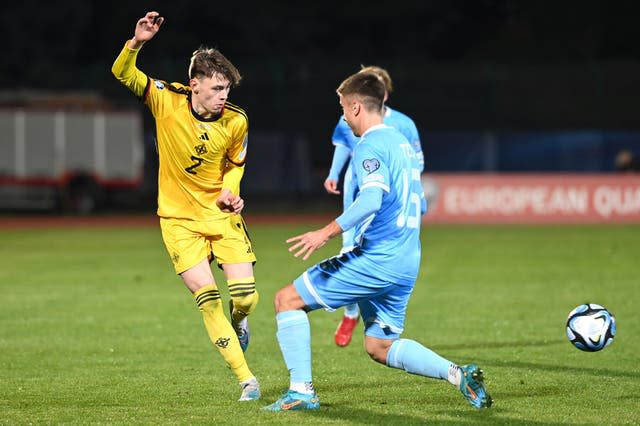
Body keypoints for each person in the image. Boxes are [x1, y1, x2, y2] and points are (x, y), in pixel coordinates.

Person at [263, 71, 492, 411]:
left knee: (286, 300)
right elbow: (422, 202)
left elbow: (371, 199)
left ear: (356, 107)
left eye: (343, 107)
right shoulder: (402, 143)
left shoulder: (370, 144)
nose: (342, 116)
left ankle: (300, 393)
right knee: (379, 346)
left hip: (378, 259)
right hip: (406, 260)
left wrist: (324, 233)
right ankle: (458, 375)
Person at [111, 11, 260, 401]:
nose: (223, 95)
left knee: (245, 297)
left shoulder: (237, 121)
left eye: (226, 88)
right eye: (216, 88)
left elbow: (235, 165)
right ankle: (247, 380)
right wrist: (137, 42)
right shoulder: (166, 99)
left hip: (221, 214)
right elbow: (123, 74)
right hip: (178, 221)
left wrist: (230, 191)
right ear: (194, 85)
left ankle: (240, 322)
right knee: (208, 300)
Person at [324, 65, 424, 347]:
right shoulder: (350, 118)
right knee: (350, 252)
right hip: (358, 193)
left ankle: (370, 319)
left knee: (368, 258)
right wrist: (334, 173)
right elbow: (343, 145)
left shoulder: (403, 124)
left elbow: (416, 161)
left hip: (386, 200)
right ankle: (351, 312)